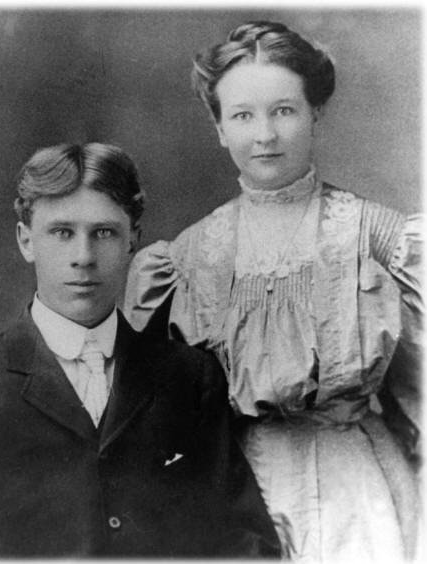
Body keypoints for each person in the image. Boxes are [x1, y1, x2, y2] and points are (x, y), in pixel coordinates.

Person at [125, 21, 423, 562]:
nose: (264, 134)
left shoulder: (379, 238)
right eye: (243, 115)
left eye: (283, 110)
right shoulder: (186, 261)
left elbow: (420, 397)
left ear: (315, 113)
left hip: (359, 494)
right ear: (219, 128)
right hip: (238, 501)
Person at [0, 142, 283, 558]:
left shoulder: (188, 377)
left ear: (133, 241)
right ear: (26, 241)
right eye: (62, 233)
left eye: (104, 233)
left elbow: (244, 543)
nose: (84, 257)